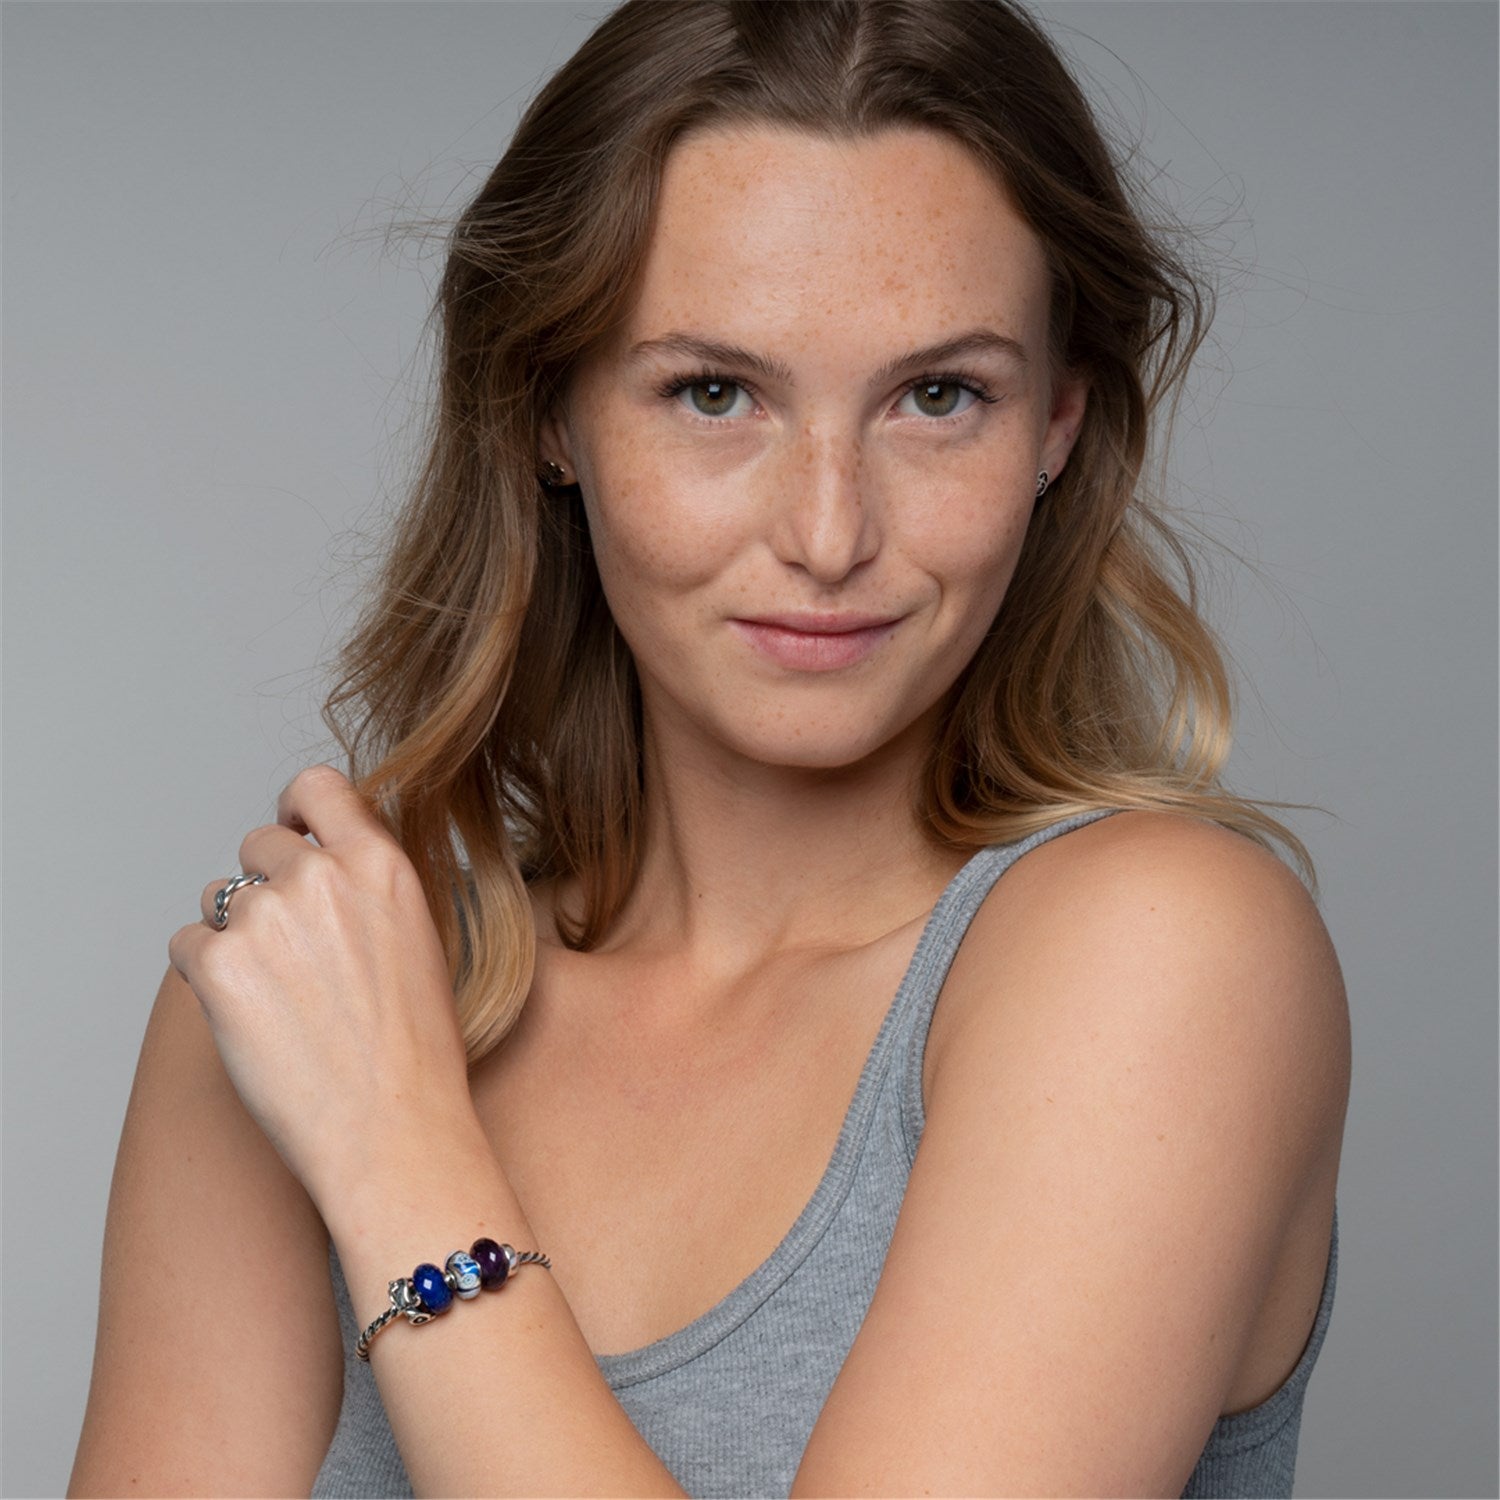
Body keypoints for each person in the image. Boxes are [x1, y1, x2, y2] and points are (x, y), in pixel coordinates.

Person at [68, 1, 1349, 1495]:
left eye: (940, 397)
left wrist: (396, 1154)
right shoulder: (316, 991)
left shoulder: (1168, 955)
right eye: (715, 394)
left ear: (1057, 423)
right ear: (548, 412)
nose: (830, 533)